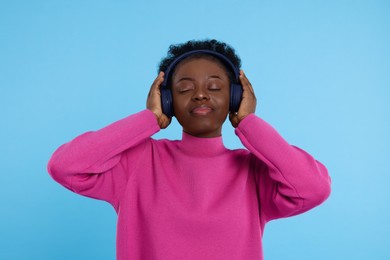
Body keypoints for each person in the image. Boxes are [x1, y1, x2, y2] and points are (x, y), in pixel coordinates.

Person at [48, 39, 331, 260]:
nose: (200, 94)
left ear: (235, 97)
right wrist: (149, 119)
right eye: (184, 89)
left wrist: (249, 123)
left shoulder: (254, 171)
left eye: (215, 87)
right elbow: (65, 166)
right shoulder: (137, 163)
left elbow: (313, 187)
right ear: (167, 100)